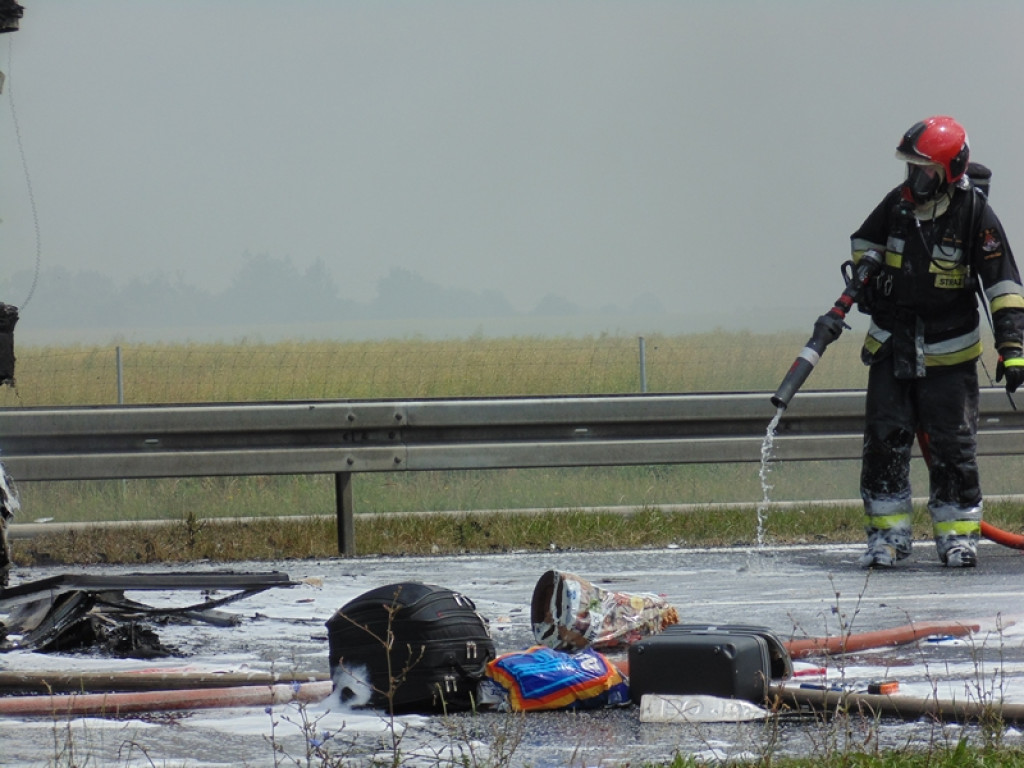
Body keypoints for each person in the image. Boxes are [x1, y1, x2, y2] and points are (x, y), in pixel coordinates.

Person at [849, 115, 1024, 568]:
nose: (914, 179)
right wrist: (868, 274)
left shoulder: (974, 214)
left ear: (949, 171)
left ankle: (958, 538)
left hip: (951, 355)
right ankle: (886, 540)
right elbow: (864, 241)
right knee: (885, 442)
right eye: (910, 169)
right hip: (892, 345)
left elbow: (1003, 285)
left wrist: (1013, 349)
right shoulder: (897, 206)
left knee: (952, 447)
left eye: (924, 171)